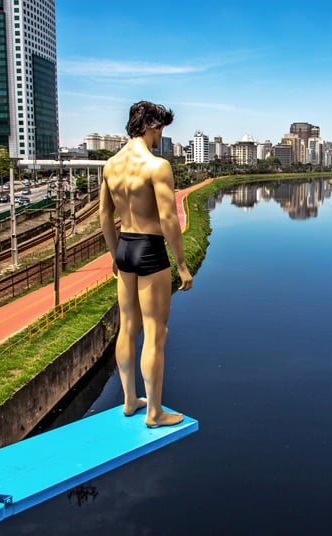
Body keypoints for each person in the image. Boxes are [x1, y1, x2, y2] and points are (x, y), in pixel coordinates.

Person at [99, 101, 193, 428]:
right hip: (150, 249)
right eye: (160, 129)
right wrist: (181, 264)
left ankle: (128, 400)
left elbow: (104, 217)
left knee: (127, 327)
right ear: (151, 126)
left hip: (124, 246)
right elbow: (168, 218)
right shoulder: (157, 166)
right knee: (156, 333)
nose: (161, 136)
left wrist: (114, 254)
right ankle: (154, 412)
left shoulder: (110, 166)